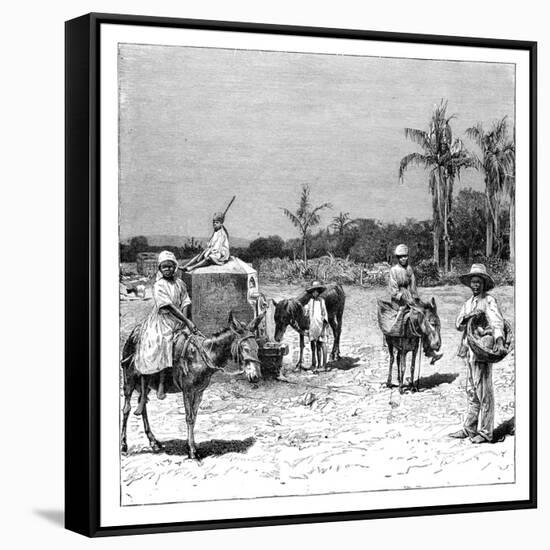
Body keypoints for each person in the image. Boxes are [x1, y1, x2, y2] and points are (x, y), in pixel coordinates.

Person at [134, 250, 198, 415]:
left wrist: (185, 321)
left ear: (175, 267)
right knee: (157, 343)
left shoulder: (180, 284)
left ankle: (178, 380)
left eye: (170, 266)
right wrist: (186, 321)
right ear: (160, 269)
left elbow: (185, 301)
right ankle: (145, 393)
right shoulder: (159, 285)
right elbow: (167, 306)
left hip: (179, 321)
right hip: (161, 321)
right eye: (164, 267)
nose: (168, 269)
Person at [449, 264, 506, 444]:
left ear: (483, 284)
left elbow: (497, 323)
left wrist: (498, 340)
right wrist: (466, 318)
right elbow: (458, 324)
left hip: (482, 349)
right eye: (473, 282)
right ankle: (469, 427)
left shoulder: (488, 301)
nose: (475, 285)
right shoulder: (468, 303)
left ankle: (486, 432)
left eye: (478, 282)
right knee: (472, 390)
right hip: (470, 350)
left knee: (484, 391)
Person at [388, 244, 443, 364]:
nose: (404, 259)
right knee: (399, 318)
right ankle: (393, 340)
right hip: (399, 301)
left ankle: (428, 350)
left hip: (410, 299)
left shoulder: (409, 269)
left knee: (423, 318)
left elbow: (413, 287)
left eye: (405, 257)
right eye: (401, 257)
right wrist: (402, 297)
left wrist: (417, 300)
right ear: (397, 258)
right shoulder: (393, 270)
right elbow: (393, 290)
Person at [304, 281, 329, 372]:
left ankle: (324, 365)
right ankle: (316, 364)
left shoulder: (322, 302)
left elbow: (324, 315)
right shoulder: (310, 302)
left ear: (319, 292)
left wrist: (323, 329)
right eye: (313, 291)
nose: (315, 293)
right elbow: (307, 314)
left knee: (322, 344)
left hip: (321, 326)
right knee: (315, 345)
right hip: (313, 327)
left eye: (316, 291)